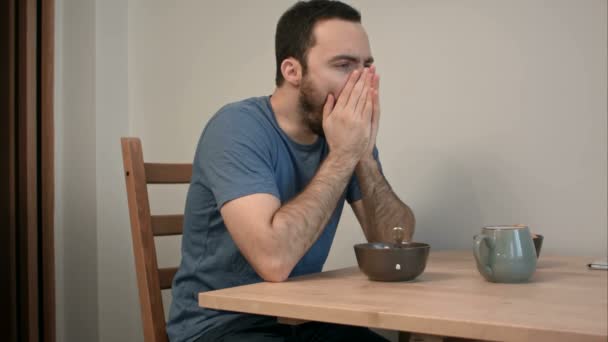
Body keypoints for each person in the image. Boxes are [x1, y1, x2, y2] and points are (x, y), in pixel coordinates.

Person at [167, 1, 416, 341]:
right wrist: (344, 155)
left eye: (366, 66)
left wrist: (364, 157)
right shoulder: (237, 127)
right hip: (222, 326)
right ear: (292, 71)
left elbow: (395, 243)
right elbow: (274, 261)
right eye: (344, 65)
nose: (360, 83)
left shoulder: (344, 135)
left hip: (300, 319)